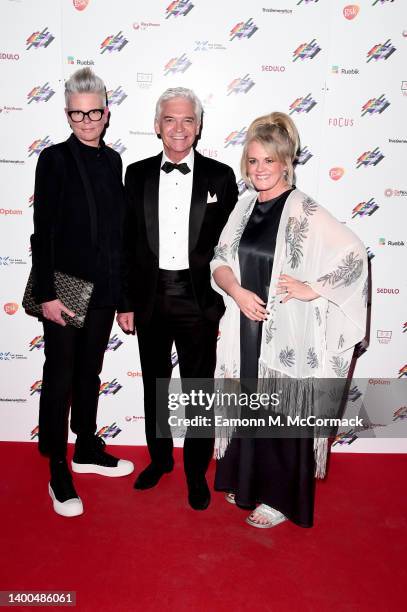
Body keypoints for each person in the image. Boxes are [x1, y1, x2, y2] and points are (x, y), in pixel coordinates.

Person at [210, 112, 367, 528]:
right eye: (253, 161)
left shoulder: (304, 210)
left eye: (268, 161)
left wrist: (311, 287)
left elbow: (353, 253)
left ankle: (278, 498)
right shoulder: (243, 208)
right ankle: (246, 483)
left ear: (286, 163)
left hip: (286, 335)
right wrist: (237, 291)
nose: (260, 169)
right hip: (245, 326)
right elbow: (220, 261)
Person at [117, 87, 238, 510]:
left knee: (199, 392)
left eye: (188, 119)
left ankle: (195, 473)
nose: (179, 127)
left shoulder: (221, 177)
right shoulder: (136, 174)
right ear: (157, 125)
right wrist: (125, 301)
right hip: (149, 299)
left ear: (199, 126)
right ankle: (160, 460)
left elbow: (233, 244)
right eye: (171, 119)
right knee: (156, 386)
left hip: (198, 299)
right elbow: (127, 243)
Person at [30, 68, 134, 518]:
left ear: (106, 113)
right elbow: (42, 233)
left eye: (95, 112)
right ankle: (57, 465)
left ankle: (87, 448)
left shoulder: (114, 162)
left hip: (106, 290)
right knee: (60, 377)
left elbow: (119, 236)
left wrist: (124, 298)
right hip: (67, 290)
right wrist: (48, 293)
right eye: (78, 114)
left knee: (90, 373)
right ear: (68, 114)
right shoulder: (53, 160)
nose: (87, 120)